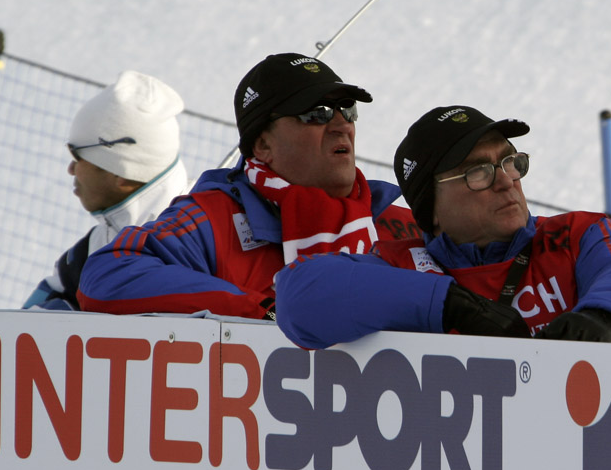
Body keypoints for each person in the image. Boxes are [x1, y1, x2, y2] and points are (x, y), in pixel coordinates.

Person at [274, 105, 611, 348]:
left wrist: (604, 321)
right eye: (478, 172)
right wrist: (447, 305)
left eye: (509, 162)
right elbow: (298, 296)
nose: (506, 180)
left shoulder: (576, 235)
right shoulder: (401, 265)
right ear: (431, 209)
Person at [77, 53, 419, 318]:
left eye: (347, 109)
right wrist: (264, 313)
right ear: (263, 145)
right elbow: (108, 276)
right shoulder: (216, 219)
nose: (342, 125)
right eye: (317, 113)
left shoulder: (399, 219)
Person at [22, 70, 189, 310]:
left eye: (77, 155)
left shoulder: (205, 243)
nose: (70, 169)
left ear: (120, 174)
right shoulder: (90, 253)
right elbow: (22, 323)